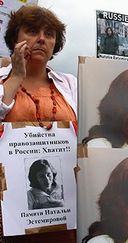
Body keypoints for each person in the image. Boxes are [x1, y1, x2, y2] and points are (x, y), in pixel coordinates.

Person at [0, 5, 76, 242]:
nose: (41, 39)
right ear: (15, 39)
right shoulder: (2, 79)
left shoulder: (70, 84)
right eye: (32, 31)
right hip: (9, 209)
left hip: (66, 211)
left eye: (49, 34)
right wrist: (17, 77)